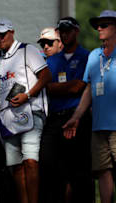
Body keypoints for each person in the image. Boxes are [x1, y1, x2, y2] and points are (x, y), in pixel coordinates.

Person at [0, 18, 52, 203]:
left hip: (31, 112)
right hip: (10, 117)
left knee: (31, 162)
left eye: (2, 34)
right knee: (16, 166)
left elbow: (46, 75)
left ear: (12, 32)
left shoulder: (27, 50)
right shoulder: (1, 60)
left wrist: (28, 95)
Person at [63, 10, 116, 203]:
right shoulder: (94, 55)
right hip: (98, 126)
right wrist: (76, 116)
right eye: (98, 25)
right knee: (102, 172)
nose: (99, 29)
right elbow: (89, 89)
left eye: (104, 25)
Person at [39, 17, 92, 203]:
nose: (65, 33)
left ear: (76, 31)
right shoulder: (53, 60)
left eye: (68, 30)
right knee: (48, 164)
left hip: (77, 117)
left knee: (79, 170)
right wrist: (66, 87)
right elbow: (46, 86)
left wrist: (58, 88)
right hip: (55, 118)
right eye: (61, 30)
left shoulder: (86, 56)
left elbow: (79, 86)